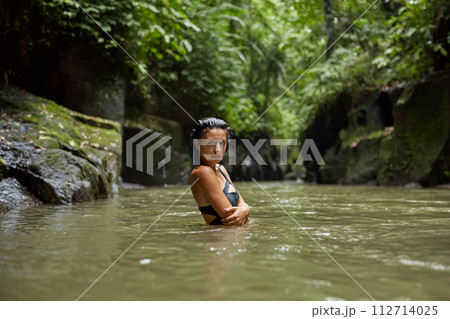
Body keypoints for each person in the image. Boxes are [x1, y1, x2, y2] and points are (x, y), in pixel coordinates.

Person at [189, 117, 250, 226]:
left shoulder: (220, 169)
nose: (218, 149)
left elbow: (242, 203)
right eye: (211, 143)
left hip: (236, 236)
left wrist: (246, 209)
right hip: (222, 240)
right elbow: (231, 218)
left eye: (222, 143)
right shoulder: (202, 172)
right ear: (197, 145)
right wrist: (245, 210)